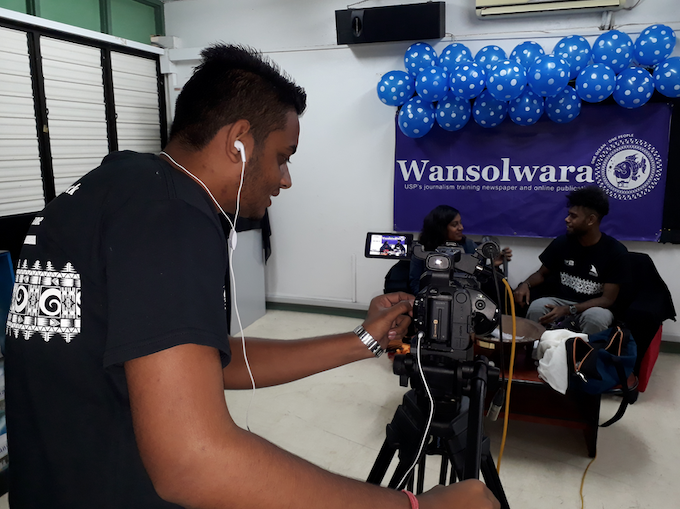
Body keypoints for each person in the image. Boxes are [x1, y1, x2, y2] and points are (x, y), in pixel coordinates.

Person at [5, 45, 499, 509]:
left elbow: (208, 362)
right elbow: (191, 460)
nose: (285, 179)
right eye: (283, 157)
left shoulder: (116, 187)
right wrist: (413, 505)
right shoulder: (174, 217)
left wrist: (362, 341)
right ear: (239, 143)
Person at [513, 186, 629, 335]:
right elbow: (541, 274)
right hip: (562, 300)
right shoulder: (563, 243)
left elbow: (607, 299)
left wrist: (570, 310)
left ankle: (584, 357)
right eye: (568, 215)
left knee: (595, 319)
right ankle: (537, 354)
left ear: (591, 220)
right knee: (537, 307)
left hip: (595, 307)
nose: (567, 220)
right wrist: (525, 284)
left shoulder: (615, 252)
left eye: (573, 216)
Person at [409, 205, 512, 295]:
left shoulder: (468, 245)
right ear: (440, 228)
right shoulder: (421, 250)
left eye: (460, 223)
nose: (461, 227)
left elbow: (477, 279)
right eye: (455, 225)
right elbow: (415, 284)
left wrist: (493, 266)